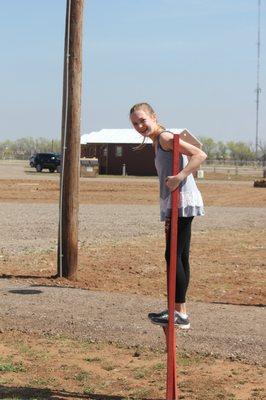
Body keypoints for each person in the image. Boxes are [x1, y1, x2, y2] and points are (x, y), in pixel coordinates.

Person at [130, 102, 207, 329]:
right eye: (135, 123)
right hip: (177, 202)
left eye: (143, 120)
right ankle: (179, 310)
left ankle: (180, 313)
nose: (140, 125)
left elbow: (199, 154)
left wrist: (180, 176)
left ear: (154, 116)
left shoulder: (164, 138)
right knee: (180, 256)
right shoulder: (158, 141)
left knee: (172, 256)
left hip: (181, 201)